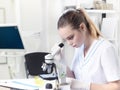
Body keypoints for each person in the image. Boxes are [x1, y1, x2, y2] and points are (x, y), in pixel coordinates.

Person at [57, 8, 120, 90]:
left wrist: (86, 86)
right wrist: (62, 62)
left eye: (71, 37)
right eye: (66, 40)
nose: (69, 43)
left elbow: (117, 86)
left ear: (82, 27)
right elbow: (74, 80)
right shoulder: (79, 47)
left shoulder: (105, 49)